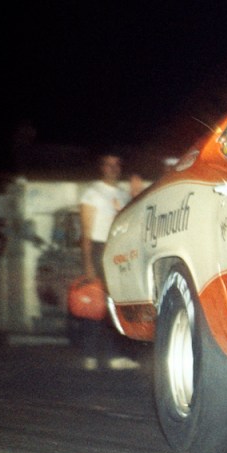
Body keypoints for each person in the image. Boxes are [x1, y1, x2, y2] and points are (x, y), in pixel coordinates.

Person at [75, 152, 139, 370]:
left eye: (116, 164)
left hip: (118, 251)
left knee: (115, 305)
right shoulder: (92, 193)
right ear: (101, 167)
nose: (113, 168)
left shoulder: (122, 194)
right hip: (98, 250)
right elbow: (86, 233)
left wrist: (135, 194)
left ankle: (114, 356)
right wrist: (88, 266)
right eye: (108, 164)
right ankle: (90, 355)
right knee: (94, 304)